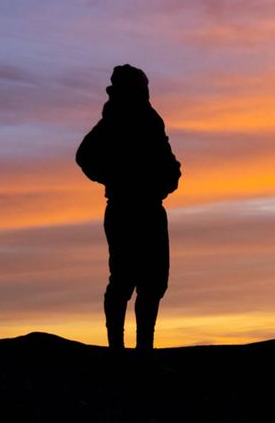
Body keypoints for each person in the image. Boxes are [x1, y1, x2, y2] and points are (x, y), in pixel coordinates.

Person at [76, 64, 181, 351]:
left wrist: (171, 175)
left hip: (151, 208)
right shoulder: (113, 119)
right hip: (124, 209)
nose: (145, 91)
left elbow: (166, 157)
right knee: (123, 279)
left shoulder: (151, 119)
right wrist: (115, 178)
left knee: (154, 281)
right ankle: (117, 351)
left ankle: (144, 350)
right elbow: (84, 157)